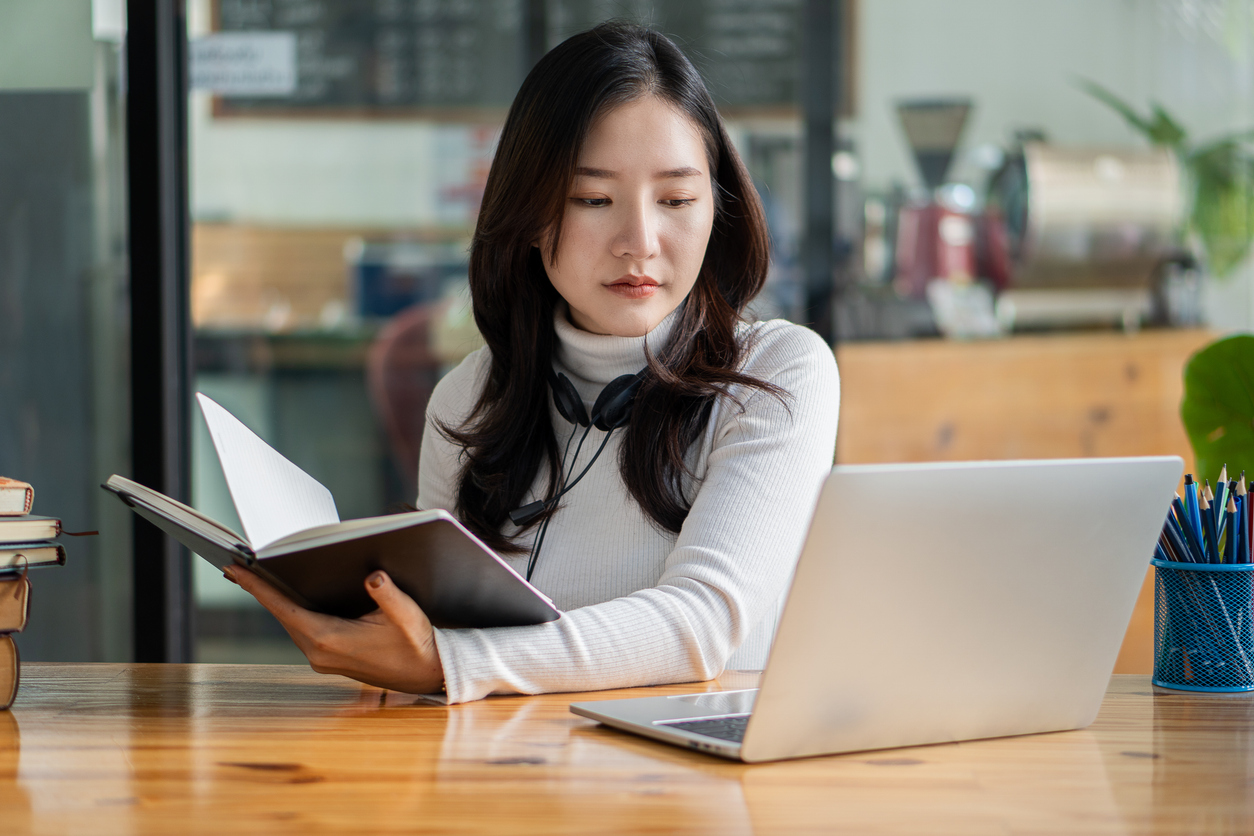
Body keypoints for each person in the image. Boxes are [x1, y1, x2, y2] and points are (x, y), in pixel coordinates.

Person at [225, 21, 840, 704]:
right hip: (510, 786)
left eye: (675, 200)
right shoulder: (468, 400)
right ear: (532, 214)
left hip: (699, 796)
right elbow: (439, 652)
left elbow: (699, 626)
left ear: (716, 209)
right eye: (593, 200)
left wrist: (448, 663)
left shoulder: (777, 373)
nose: (640, 242)